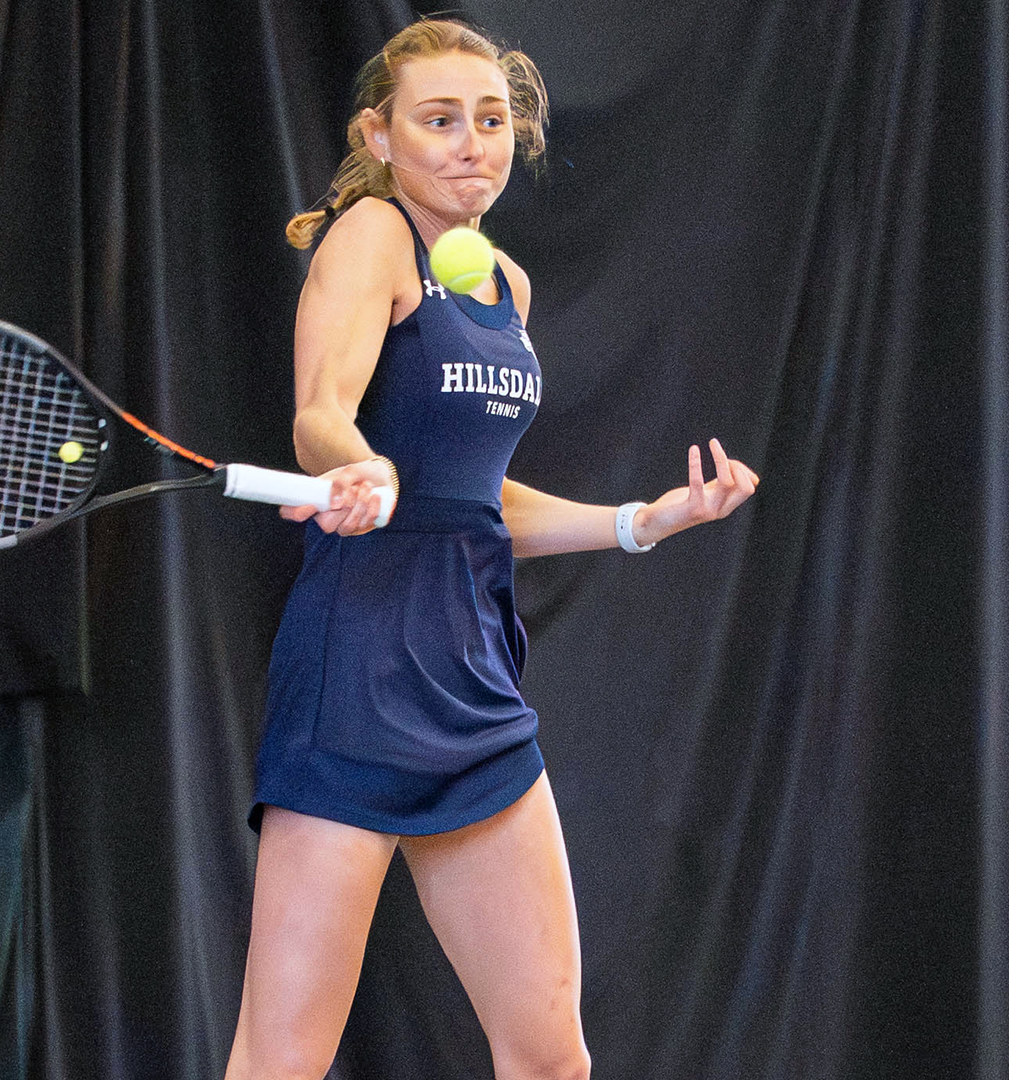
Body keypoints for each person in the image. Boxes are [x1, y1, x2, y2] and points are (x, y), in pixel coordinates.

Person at [228, 19, 759, 1080]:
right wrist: (357, 464)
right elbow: (320, 416)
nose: (474, 143)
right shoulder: (372, 235)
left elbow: (476, 498)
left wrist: (634, 522)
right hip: (357, 675)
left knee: (550, 1060)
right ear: (378, 137)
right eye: (439, 121)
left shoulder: (500, 288)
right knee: (283, 1063)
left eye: (492, 119)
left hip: (472, 684)